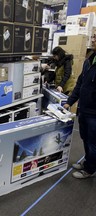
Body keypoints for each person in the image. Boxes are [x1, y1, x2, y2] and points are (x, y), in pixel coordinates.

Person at [63, 40, 96, 179]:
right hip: (83, 110)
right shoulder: (89, 60)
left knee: (93, 142)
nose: (93, 40)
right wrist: (69, 102)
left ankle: (90, 170)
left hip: (94, 113)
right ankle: (88, 163)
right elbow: (80, 84)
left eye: (95, 37)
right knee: (85, 138)